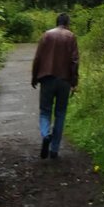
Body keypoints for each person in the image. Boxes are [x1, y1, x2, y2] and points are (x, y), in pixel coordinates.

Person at [31, 11, 79, 160]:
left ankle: (46, 135)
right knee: (60, 113)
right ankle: (54, 150)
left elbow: (38, 57)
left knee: (45, 111)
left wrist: (34, 77)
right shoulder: (71, 37)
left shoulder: (46, 35)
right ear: (67, 23)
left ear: (56, 22)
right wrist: (74, 81)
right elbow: (75, 61)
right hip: (64, 80)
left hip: (46, 78)